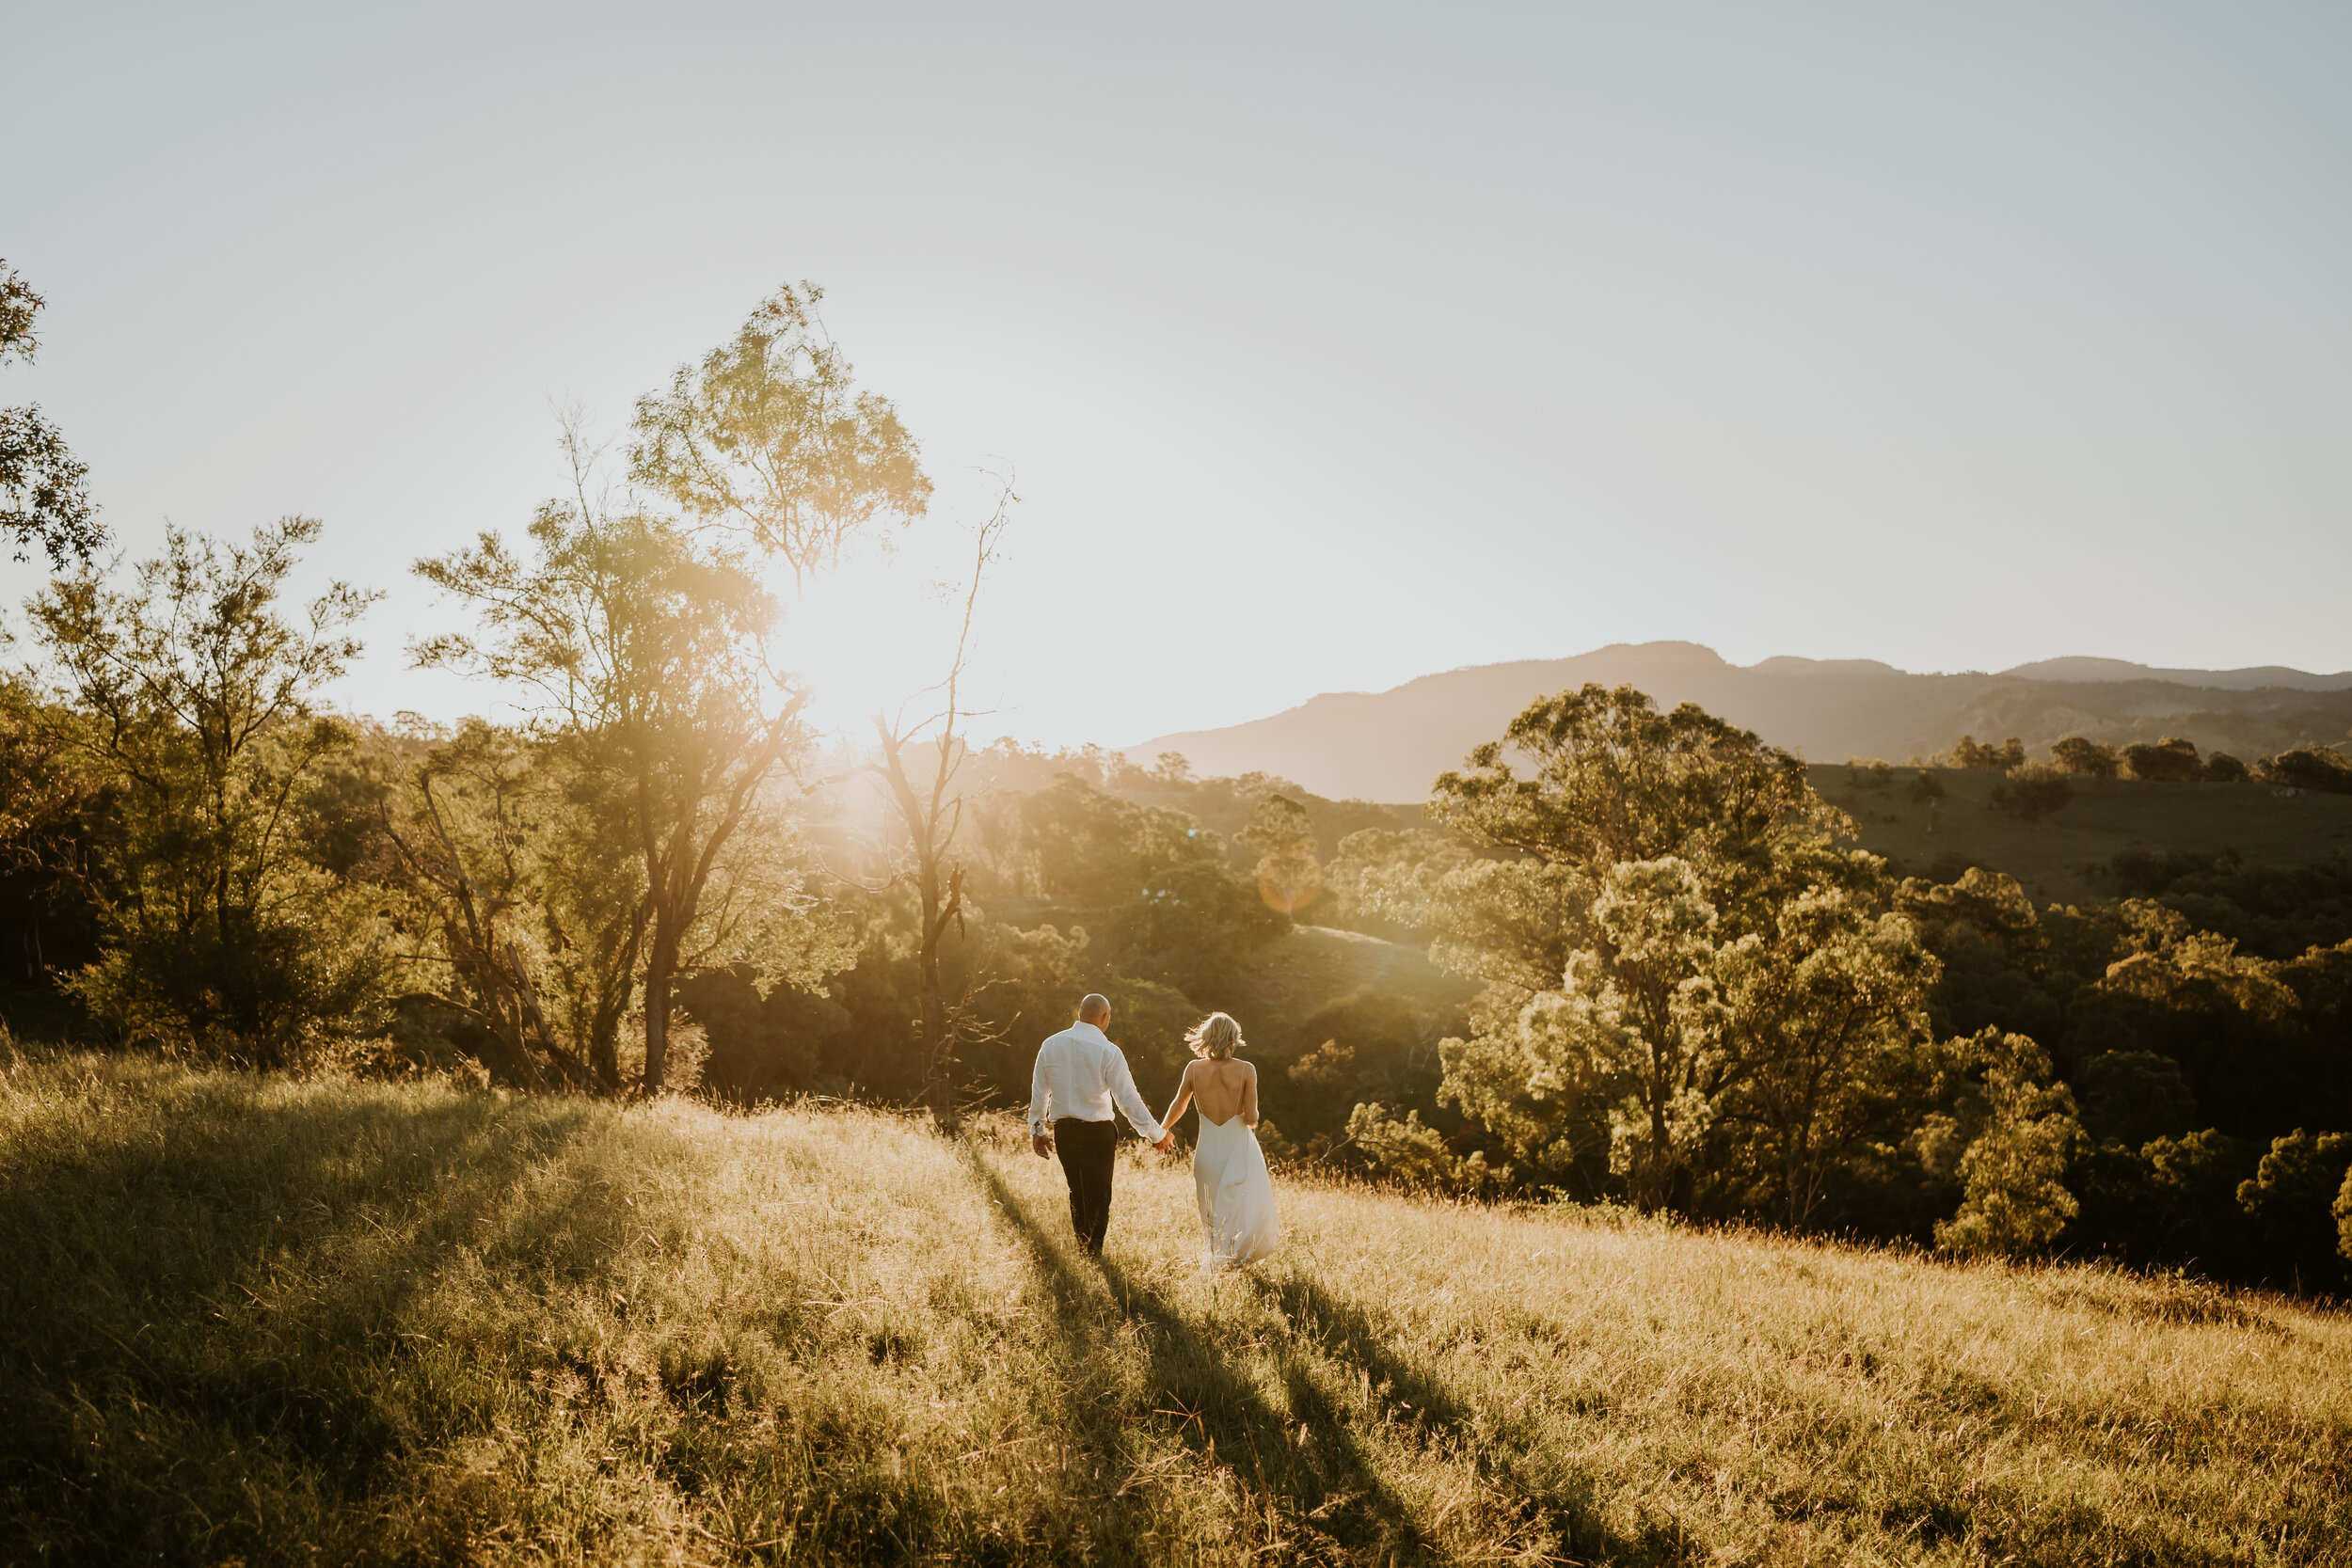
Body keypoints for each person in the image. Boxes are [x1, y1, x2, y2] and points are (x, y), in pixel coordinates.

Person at [1027, 993, 1174, 1256]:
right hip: (1098, 1133)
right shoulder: (1108, 1051)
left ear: (1080, 1012)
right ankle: (1092, 1253)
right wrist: (1155, 1134)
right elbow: (1128, 1100)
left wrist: (1038, 1130)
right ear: (1104, 1018)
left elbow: (1039, 1093)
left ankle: (1083, 1249)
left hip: (1065, 1132)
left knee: (1077, 1191)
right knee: (1099, 1195)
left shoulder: (1050, 1044)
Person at [1160, 1011, 1280, 1269]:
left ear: (1206, 1038)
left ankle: (1217, 1258)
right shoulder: (1247, 1069)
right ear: (1233, 1040)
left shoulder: (1193, 1069)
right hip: (1236, 1147)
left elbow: (1179, 1104)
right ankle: (1236, 1259)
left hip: (1207, 1151)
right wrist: (1251, 1112)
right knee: (1241, 1205)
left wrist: (1161, 1130)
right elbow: (1251, 1117)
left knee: (1211, 1209)